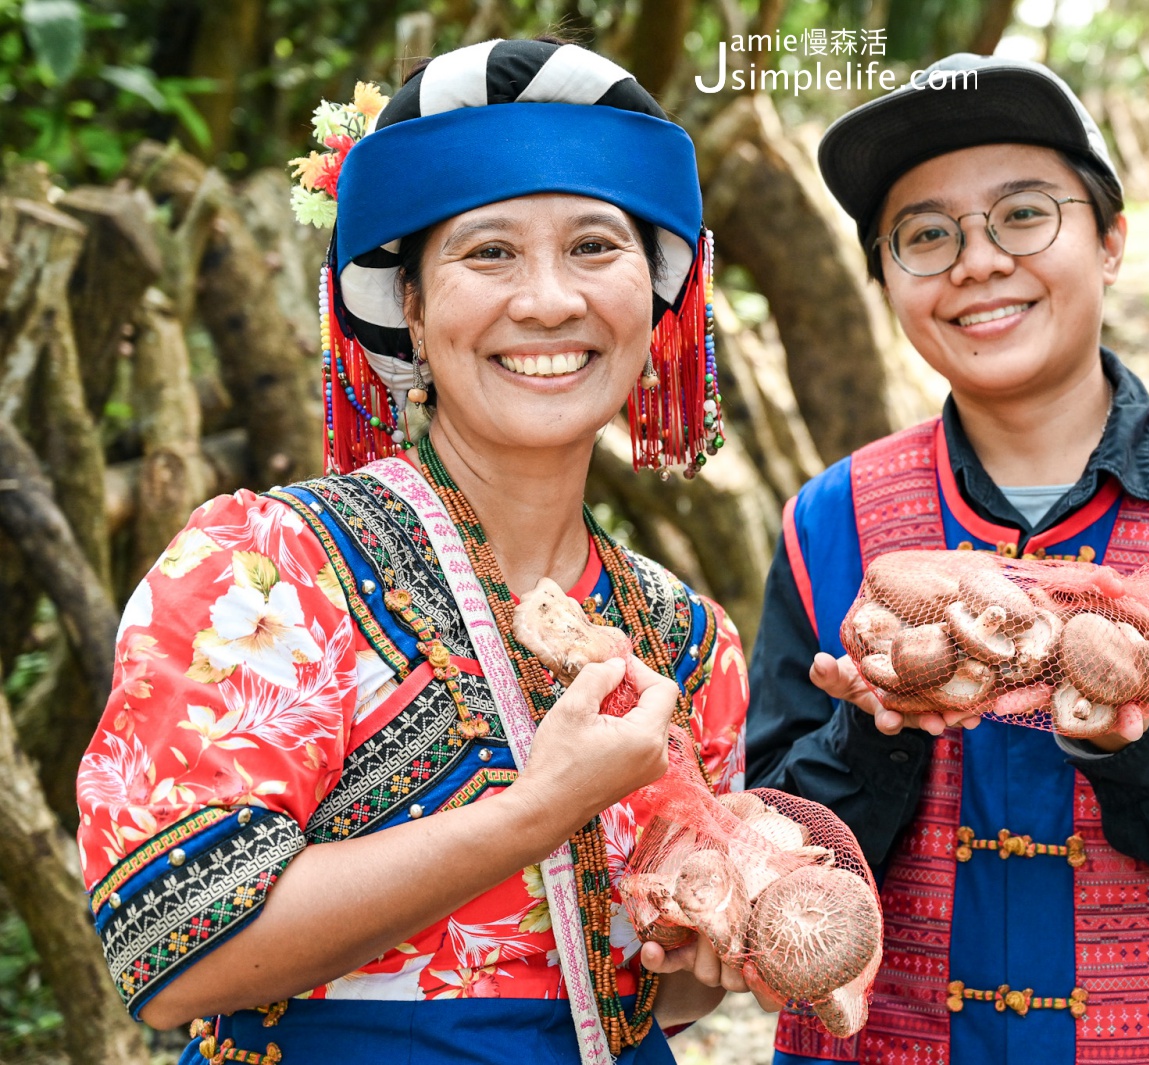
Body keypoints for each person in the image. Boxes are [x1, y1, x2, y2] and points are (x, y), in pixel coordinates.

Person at [76, 38, 765, 1065]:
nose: (547, 300)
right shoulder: (269, 570)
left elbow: (652, 1001)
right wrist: (536, 812)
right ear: (410, 306)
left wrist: (713, 937)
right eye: (488, 252)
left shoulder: (686, 643)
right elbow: (167, 959)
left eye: (594, 247)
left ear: (657, 298)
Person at [747, 54, 1149, 1065]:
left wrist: (1146, 747)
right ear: (885, 279)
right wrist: (872, 734)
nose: (976, 262)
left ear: (1109, 243)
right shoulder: (828, 526)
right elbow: (770, 854)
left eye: (1022, 215)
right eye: (925, 236)